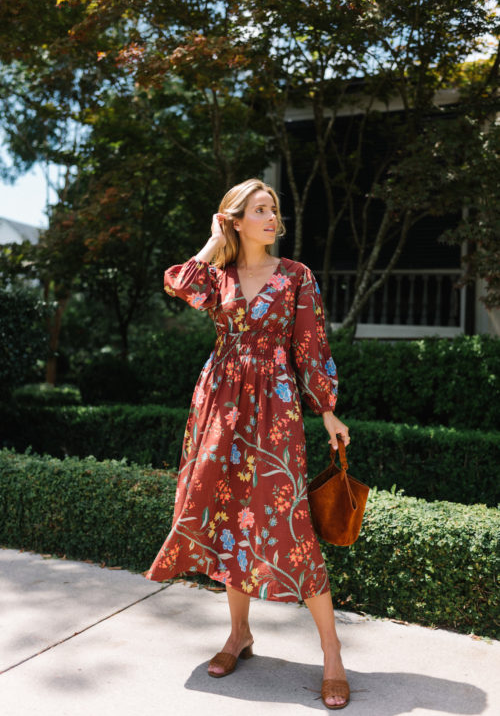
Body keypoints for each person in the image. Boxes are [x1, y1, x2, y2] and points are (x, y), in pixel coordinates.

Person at [145, 178, 351, 709]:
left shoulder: (296, 276)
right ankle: (239, 634)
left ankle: (332, 652)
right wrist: (215, 241)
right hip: (218, 403)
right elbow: (178, 284)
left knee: (290, 524)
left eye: (274, 209)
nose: (271, 217)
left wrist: (326, 411)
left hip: (275, 408)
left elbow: (310, 342)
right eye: (259, 210)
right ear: (236, 219)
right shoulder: (217, 277)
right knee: (229, 516)